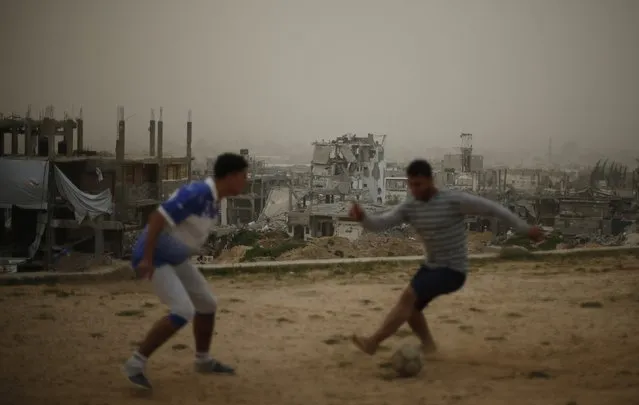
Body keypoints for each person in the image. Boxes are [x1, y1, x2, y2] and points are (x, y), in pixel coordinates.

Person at [350, 159, 543, 356]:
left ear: (431, 181)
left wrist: (525, 229)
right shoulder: (410, 207)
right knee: (412, 309)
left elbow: (493, 209)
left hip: (453, 270)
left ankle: (373, 342)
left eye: (419, 184)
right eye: (411, 185)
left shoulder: (453, 201)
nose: (415, 190)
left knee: (408, 298)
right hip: (431, 267)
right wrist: (362, 218)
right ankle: (429, 346)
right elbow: (381, 224)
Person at [123, 152, 248, 389]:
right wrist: (147, 258)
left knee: (207, 304)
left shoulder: (214, 199)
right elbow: (157, 218)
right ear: (230, 176)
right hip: (158, 258)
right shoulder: (198, 194)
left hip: (176, 258)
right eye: (243, 176)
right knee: (182, 309)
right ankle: (135, 364)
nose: (246, 181)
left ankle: (203, 361)